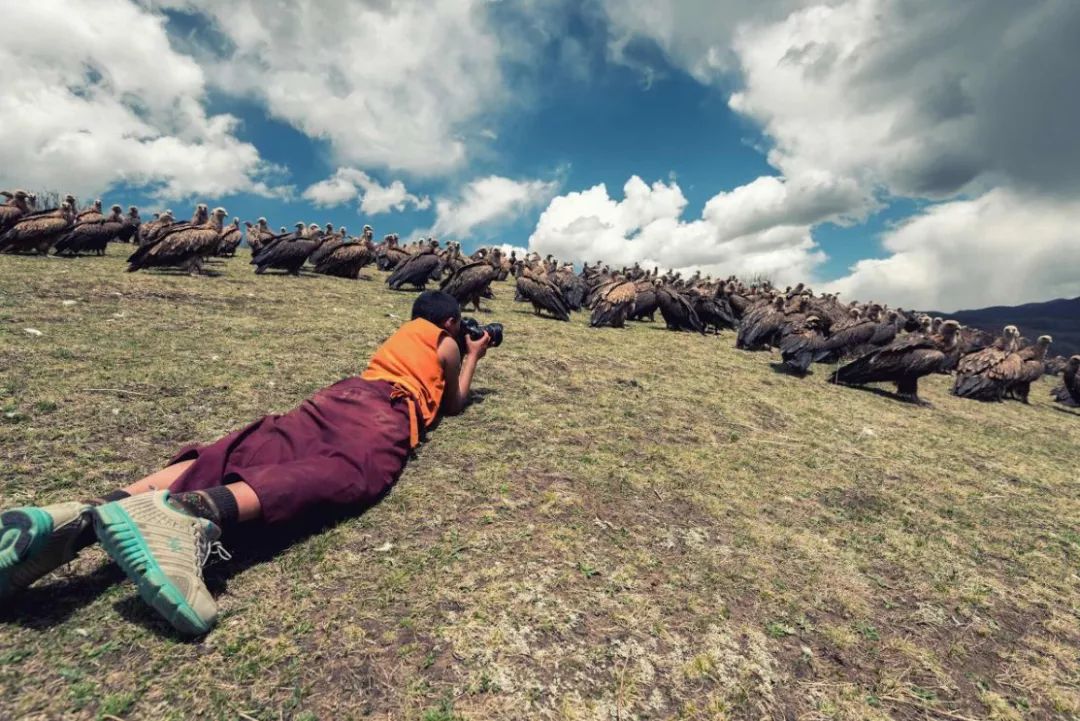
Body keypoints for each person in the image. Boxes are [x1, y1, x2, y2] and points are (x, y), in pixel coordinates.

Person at [0, 290, 491, 635]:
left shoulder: (401, 336)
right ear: (450, 321)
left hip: (343, 393)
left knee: (254, 447)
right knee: (349, 470)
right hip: (384, 408)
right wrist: (472, 355)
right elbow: (453, 403)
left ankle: (79, 518)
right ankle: (190, 515)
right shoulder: (443, 338)